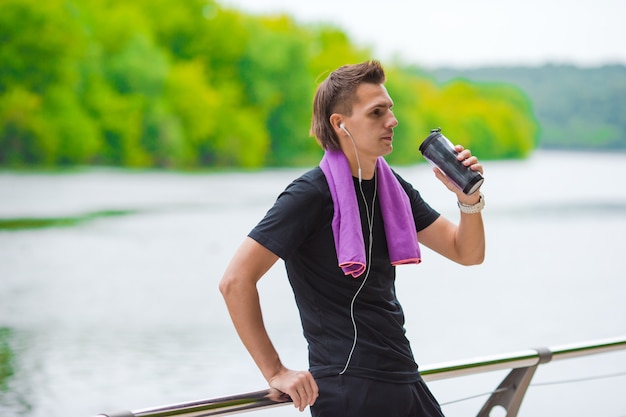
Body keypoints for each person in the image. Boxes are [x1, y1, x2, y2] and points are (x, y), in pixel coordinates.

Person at [219, 60, 485, 417]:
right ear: (340, 123)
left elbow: (466, 252)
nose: (392, 121)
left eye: (390, 110)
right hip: (349, 388)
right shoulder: (310, 194)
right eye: (377, 113)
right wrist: (276, 371)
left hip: (402, 376)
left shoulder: (394, 191)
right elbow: (235, 281)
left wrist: (468, 201)